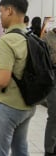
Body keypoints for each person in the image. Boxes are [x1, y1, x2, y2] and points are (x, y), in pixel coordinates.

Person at [0, 0, 37, 156]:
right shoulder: (30, 37)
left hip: (7, 105)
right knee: (20, 149)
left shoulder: (7, 40)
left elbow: (2, 80)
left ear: (9, 10)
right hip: (28, 104)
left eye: (1, 12)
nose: (0, 16)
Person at [42, 27, 56, 156]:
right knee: (54, 113)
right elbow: (43, 61)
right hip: (52, 77)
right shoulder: (47, 37)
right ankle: (49, 149)